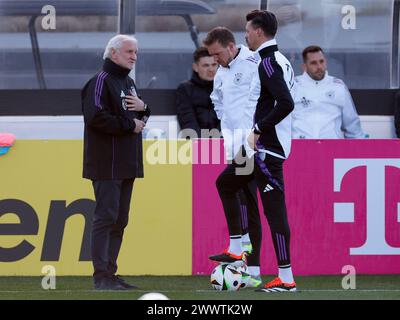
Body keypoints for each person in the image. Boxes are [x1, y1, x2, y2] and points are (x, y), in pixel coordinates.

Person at [82, 34, 150, 290]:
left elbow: (139, 119)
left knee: (120, 219)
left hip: (127, 162)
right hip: (106, 163)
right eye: (129, 51)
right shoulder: (100, 81)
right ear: (113, 54)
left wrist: (145, 109)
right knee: (106, 217)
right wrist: (129, 123)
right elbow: (95, 117)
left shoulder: (129, 82)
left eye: (136, 52)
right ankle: (101, 277)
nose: (134, 56)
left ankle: (111, 273)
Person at [203, 27, 262, 288]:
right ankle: (250, 269)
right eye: (211, 56)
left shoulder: (252, 62)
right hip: (233, 146)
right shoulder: (221, 72)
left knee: (238, 194)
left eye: (217, 54)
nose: (215, 60)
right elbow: (217, 101)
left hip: (252, 144)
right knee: (244, 199)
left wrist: (254, 132)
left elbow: (267, 97)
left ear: (230, 46)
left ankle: (240, 252)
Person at [245, 10, 297, 292]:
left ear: (259, 32)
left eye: (248, 30)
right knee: (233, 186)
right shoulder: (281, 60)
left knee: (275, 213)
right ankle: (248, 267)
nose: (246, 35)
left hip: (269, 148)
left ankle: (286, 278)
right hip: (272, 147)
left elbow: (286, 103)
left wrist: (258, 129)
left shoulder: (267, 62)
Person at [292, 45, 365, 139]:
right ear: (304, 66)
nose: (319, 66)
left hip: (332, 147)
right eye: (313, 63)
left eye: (321, 61)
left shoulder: (338, 87)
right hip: (299, 146)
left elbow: (353, 127)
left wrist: (358, 149)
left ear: (326, 62)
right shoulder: (293, 86)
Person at [176, 47, 220, 138]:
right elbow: (188, 121)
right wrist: (202, 145)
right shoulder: (185, 89)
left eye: (214, 64)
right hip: (196, 144)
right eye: (206, 65)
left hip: (223, 144)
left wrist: (219, 141)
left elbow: (228, 119)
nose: (211, 69)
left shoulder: (225, 88)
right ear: (195, 67)